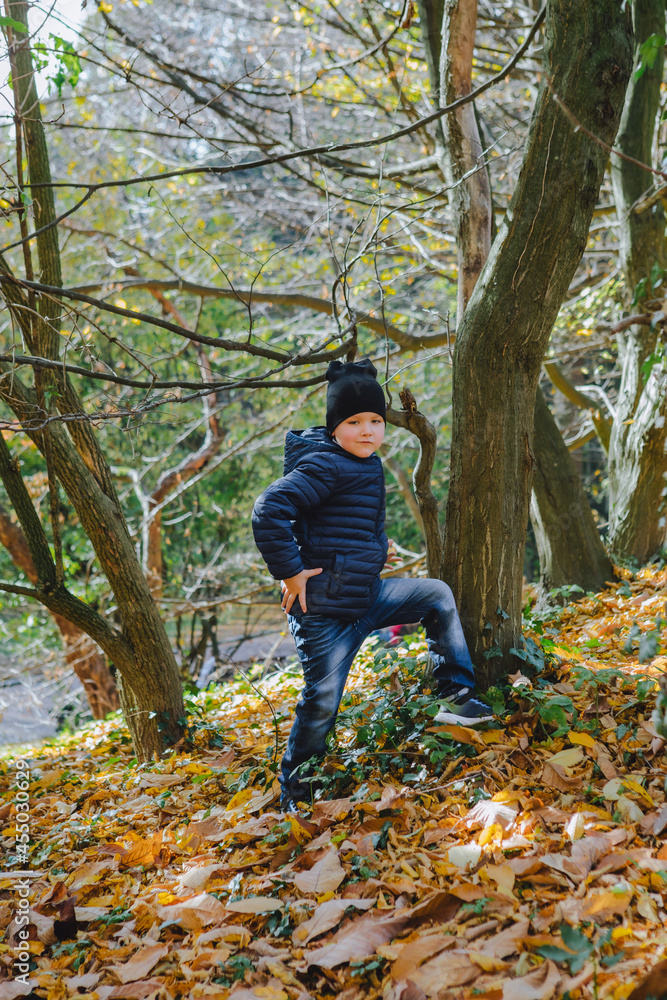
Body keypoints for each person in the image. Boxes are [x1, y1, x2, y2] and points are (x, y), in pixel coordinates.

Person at [252, 358, 492, 809]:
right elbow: (268, 512)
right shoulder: (325, 465)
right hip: (324, 615)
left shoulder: (363, 462)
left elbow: (339, 525)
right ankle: (295, 794)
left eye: (376, 421)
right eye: (354, 421)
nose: (368, 430)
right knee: (321, 703)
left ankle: (456, 696)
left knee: (436, 596)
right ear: (334, 427)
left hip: (366, 597)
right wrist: (289, 571)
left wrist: (378, 549)